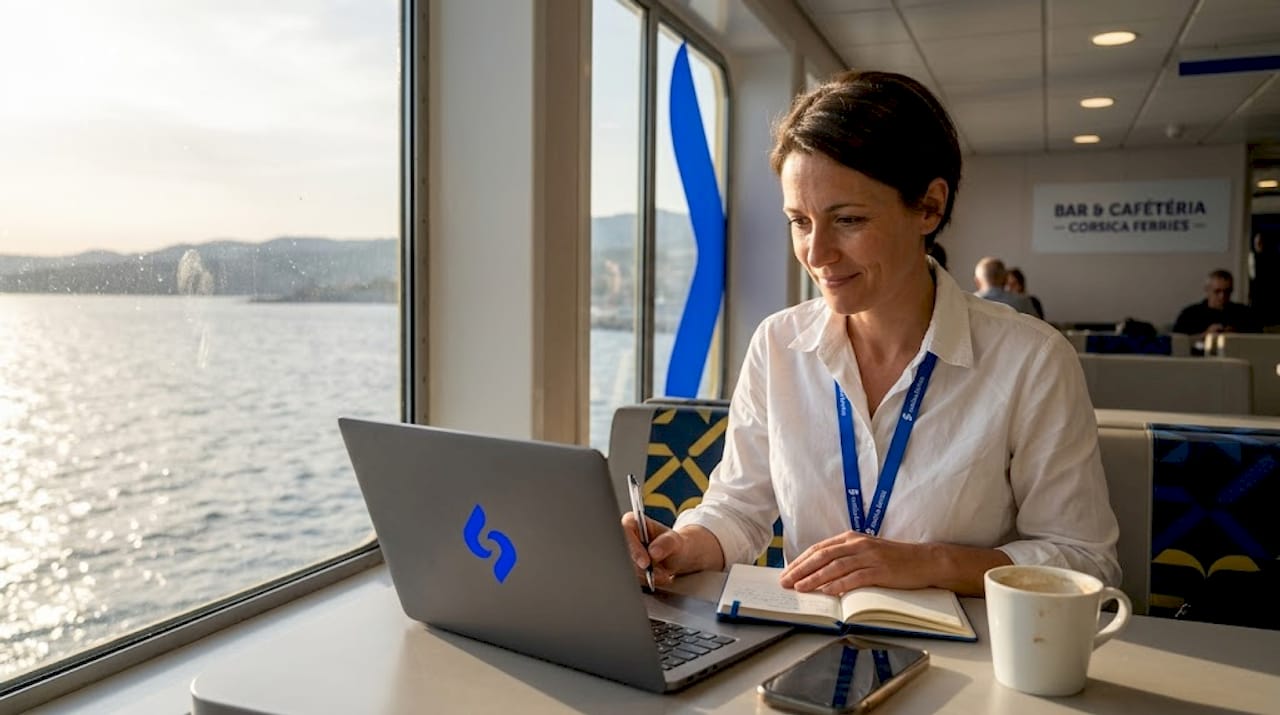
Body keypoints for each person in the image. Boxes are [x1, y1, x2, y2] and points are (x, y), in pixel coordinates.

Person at [622, 71, 1120, 598]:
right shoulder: (777, 344)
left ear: (929, 207)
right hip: (807, 636)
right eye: (799, 221)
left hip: (972, 644)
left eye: (849, 220)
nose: (817, 254)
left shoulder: (1032, 359)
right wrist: (681, 545)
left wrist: (931, 563)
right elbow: (739, 508)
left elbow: (1086, 561)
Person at [1172, 269, 1261, 342]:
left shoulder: (1244, 313)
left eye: (1227, 292)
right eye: (1217, 291)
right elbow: (1176, 342)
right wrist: (1205, 335)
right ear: (1207, 290)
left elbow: (1259, 339)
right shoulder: (1190, 314)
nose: (1222, 296)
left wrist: (1237, 336)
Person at [973, 257, 1037, 316]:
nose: (1010, 288)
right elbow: (1038, 323)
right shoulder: (1023, 302)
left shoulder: (970, 302)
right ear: (1005, 279)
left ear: (977, 281)